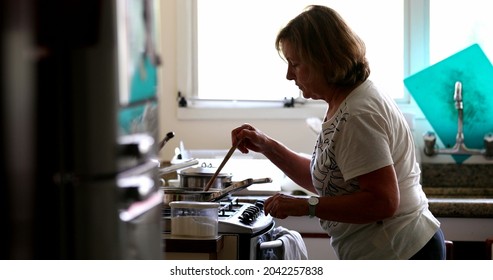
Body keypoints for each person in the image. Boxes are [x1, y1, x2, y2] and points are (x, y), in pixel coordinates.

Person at [231, 5, 444, 260]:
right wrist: (267, 145)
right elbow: (329, 183)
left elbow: (383, 202)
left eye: (295, 64)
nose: (289, 75)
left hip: (401, 251)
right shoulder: (344, 103)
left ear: (324, 60)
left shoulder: (358, 114)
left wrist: (304, 206)